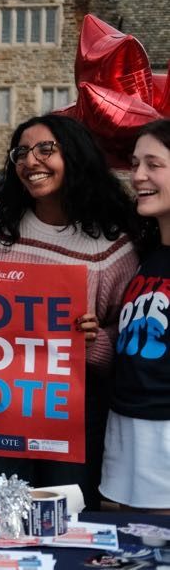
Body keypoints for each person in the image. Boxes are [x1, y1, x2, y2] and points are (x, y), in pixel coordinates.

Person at [0, 114, 139, 510]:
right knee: (7, 514)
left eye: (46, 149)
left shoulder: (112, 245)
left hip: (73, 412)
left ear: (76, 156)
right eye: (22, 152)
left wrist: (95, 341)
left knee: (67, 516)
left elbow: (124, 339)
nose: (31, 161)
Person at [100, 119, 170, 513]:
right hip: (123, 432)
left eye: (153, 164)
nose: (137, 175)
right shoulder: (145, 255)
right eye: (134, 163)